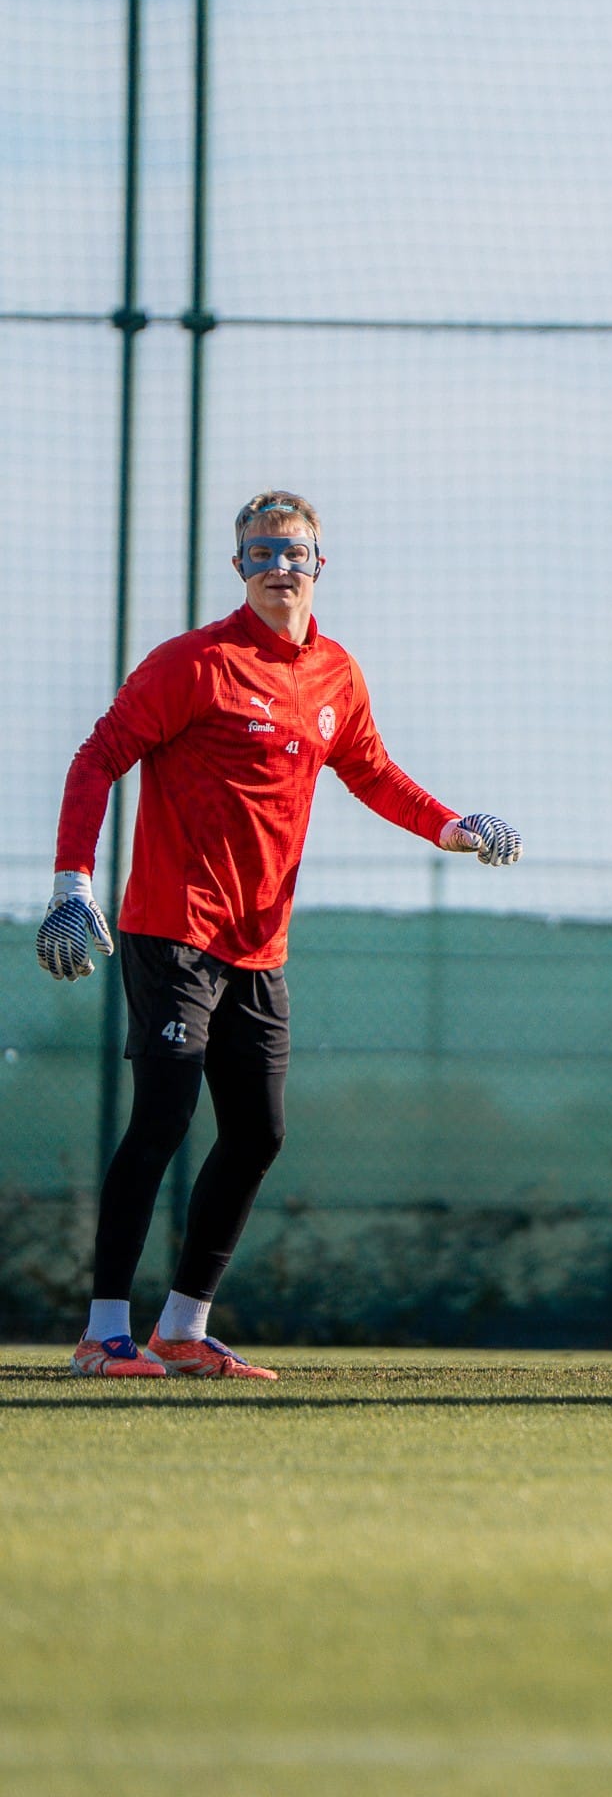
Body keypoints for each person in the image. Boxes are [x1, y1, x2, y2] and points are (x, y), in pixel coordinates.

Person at [37, 490, 521, 1380]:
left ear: (319, 565)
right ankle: (103, 1334)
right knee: (163, 1118)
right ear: (239, 568)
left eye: (294, 553)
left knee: (258, 1133)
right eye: (261, 554)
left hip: (259, 946)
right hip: (173, 929)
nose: (279, 569)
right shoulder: (194, 664)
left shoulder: (335, 673)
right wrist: (73, 884)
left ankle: (182, 1331)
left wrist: (452, 827)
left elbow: (371, 771)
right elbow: (97, 757)